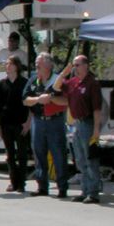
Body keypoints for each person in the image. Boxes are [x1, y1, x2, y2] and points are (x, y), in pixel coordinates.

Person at [53, 54, 103, 204]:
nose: (75, 68)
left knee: (90, 158)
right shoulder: (73, 82)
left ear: (85, 65)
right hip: (76, 123)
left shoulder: (92, 83)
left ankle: (93, 192)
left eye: (77, 65)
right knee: (80, 159)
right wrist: (63, 73)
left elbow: (96, 109)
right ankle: (85, 190)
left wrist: (96, 129)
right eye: (74, 65)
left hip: (87, 122)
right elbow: (56, 87)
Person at [23, 52, 69, 198]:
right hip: (38, 121)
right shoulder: (33, 81)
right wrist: (38, 99)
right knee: (39, 154)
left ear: (49, 65)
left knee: (58, 155)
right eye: (36, 63)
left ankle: (62, 187)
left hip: (55, 121)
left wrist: (51, 99)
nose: (37, 66)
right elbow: (25, 100)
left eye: (39, 63)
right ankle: (42, 186)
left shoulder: (58, 80)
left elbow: (66, 101)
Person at [0, 55, 30, 193]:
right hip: (6, 123)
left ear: (16, 66)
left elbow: (29, 105)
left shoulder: (24, 83)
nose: (7, 66)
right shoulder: (2, 84)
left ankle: (22, 182)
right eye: (6, 63)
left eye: (10, 63)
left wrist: (28, 123)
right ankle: (13, 181)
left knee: (22, 154)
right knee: (10, 154)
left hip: (20, 123)